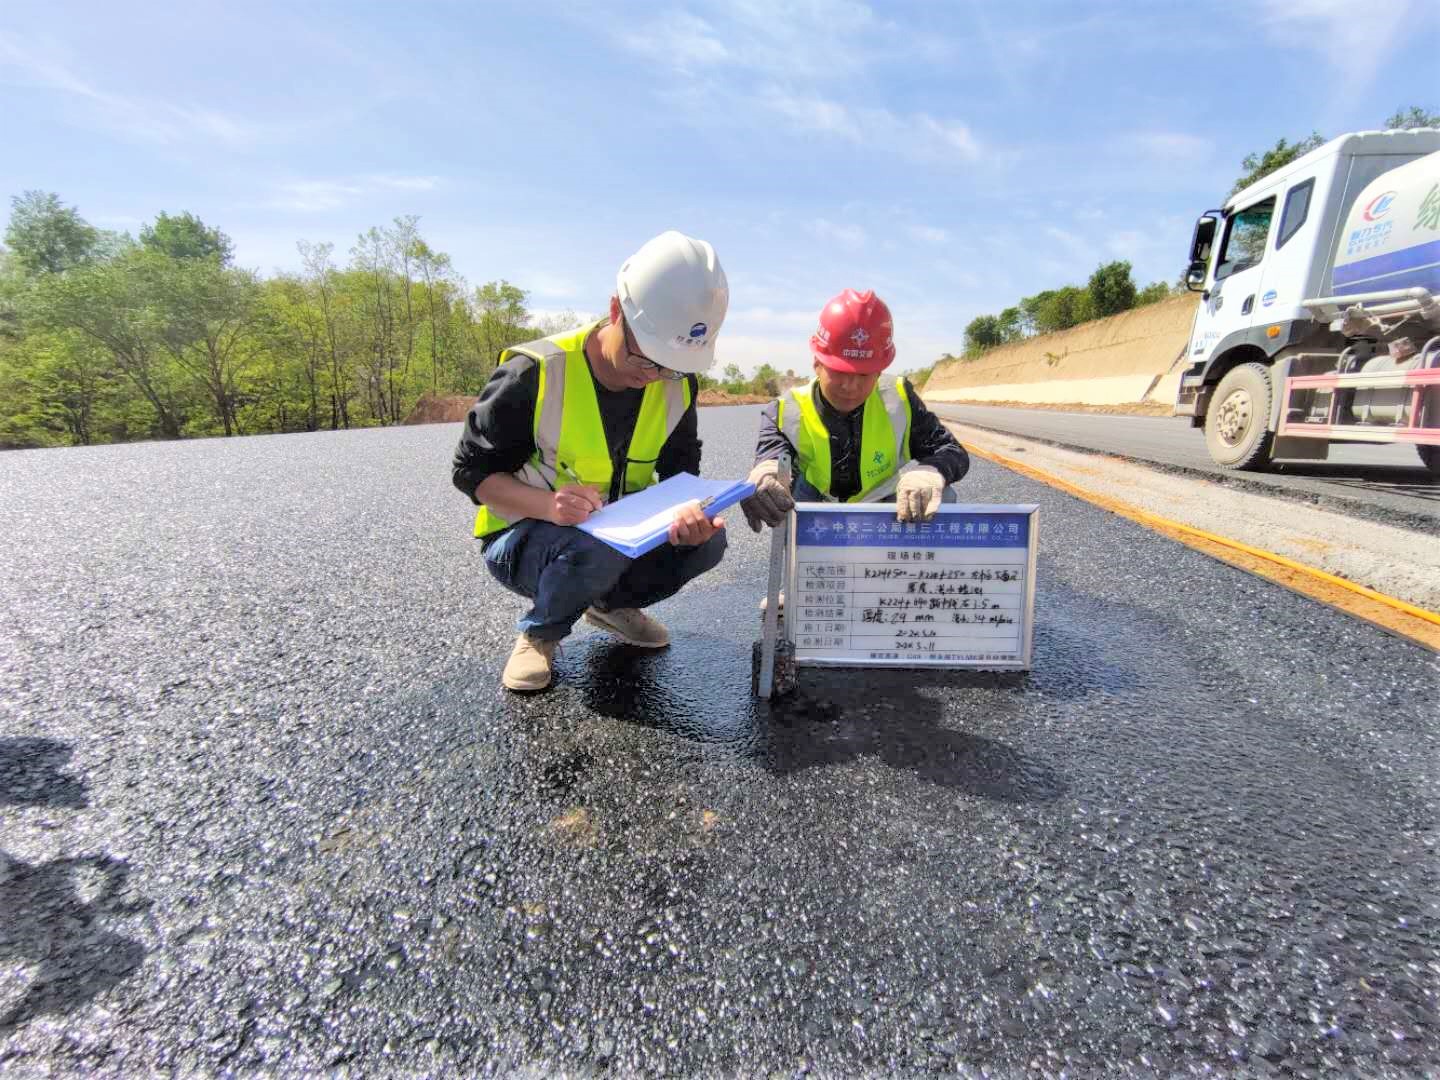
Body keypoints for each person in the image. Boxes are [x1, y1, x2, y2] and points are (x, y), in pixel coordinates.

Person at [452, 231, 730, 692]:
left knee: (707, 544)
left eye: (671, 366)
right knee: (592, 548)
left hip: (618, 538)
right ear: (617, 310)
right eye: (647, 359)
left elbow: (682, 470)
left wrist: (690, 513)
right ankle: (540, 633)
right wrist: (548, 506)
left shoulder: (677, 385)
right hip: (525, 541)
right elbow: (470, 472)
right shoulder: (536, 372)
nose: (655, 377)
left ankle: (610, 606)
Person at [740, 288, 970, 533]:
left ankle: (905, 568)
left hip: (884, 503)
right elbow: (770, 457)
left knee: (940, 494)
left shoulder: (899, 399)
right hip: (817, 502)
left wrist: (929, 473)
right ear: (817, 363)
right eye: (839, 372)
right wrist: (765, 475)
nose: (850, 386)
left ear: (880, 370)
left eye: (863, 374)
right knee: (776, 494)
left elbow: (951, 450)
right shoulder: (786, 410)